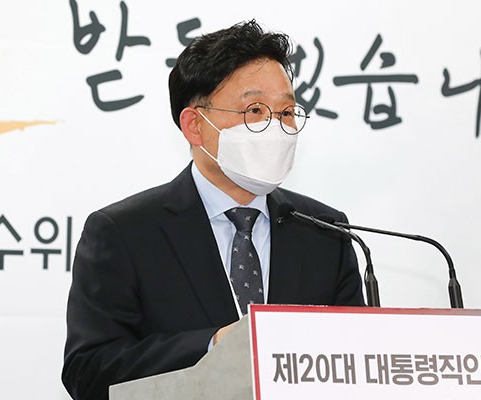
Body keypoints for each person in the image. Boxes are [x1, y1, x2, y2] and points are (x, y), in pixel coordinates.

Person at [62, 20, 364, 400]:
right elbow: (88, 371)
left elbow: (357, 360)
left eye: (287, 112)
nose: (276, 127)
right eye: (255, 110)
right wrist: (214, 346)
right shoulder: (123, 232)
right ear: (194, 126)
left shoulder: (325, 231)